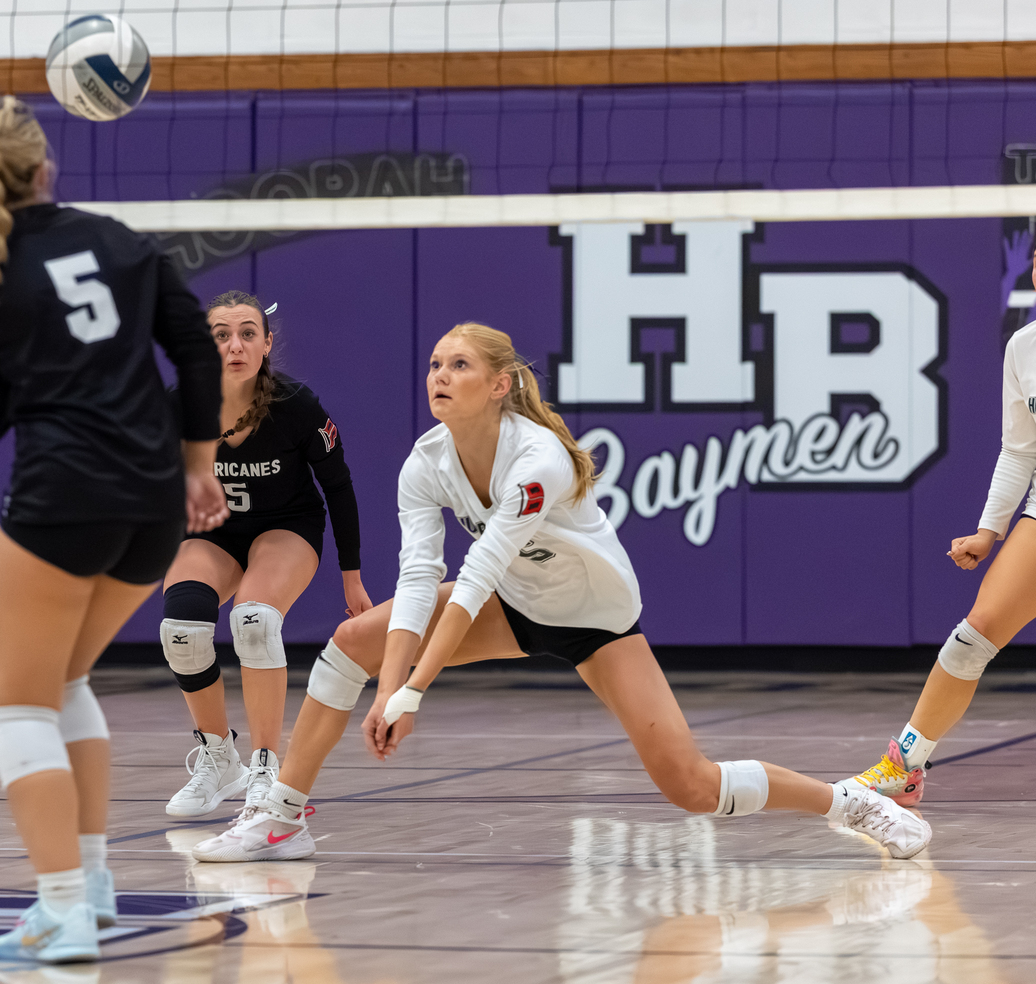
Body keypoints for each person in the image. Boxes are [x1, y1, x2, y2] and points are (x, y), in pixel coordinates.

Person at [191, 322, 932, 864]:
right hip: (515, 603)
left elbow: (475, 572)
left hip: (595, 617)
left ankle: (851, 802)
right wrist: (389, 686)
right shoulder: (426, 462)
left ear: (500, 383)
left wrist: (414, 689)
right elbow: (420, 580)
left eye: (459, 364)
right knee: (354, 643)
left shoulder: (537, 457)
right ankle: (282, 815)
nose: (438, 376)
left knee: (691, 785)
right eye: (433, 364)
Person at [0, 95, 226, 964]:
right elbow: (198, 349)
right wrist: (199, 462)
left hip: (62, 497)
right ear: (46, 167)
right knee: (63, 680)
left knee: (18, 703)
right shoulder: (119, 240)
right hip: (153, 503)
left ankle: (59, 910)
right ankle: (92, 886)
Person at [160, 290, 370, 818]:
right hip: (214, 532)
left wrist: (352, 576)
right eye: (222, 335)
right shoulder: (179, 404)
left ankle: (263, 764)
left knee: (252, 622)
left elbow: (339, 486)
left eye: (248, 333)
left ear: (266, 343)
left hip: (286, 528)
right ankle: (217, 755)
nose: (235, 345)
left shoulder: (296, 406)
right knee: (181, 631)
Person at [840, 308, 1036, 806]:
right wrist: (989, 530)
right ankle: (902, 769)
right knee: (974, 635)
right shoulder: (1024, 346)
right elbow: (1018, 451)